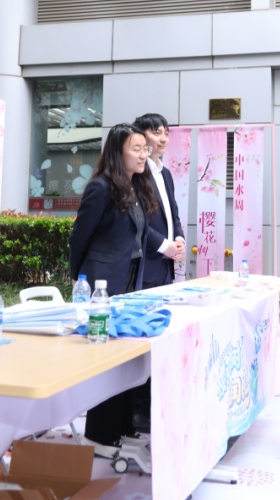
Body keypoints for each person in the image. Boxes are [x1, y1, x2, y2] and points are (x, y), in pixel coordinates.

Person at [69, 123, 158, 456]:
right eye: (136, 148)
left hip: (130, 284)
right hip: (103, 285)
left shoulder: (136, 187)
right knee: (107, 361)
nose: (143, 154)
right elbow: (79, 236)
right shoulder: (101, 187)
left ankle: (122, 429)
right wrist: (78, 278)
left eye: (145, 149)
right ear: (118, 152)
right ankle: (99, 435)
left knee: (126, 359)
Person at [133, 112, 186, 288]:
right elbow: (136, 221)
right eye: (156, 133)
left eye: (166, 133)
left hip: (166, 265)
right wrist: (164, 245)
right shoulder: (136, 174)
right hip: (144, 264)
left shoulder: (166, 174)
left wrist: (179, 239)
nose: (163, 139)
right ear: (140, 136)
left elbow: (173, 215)